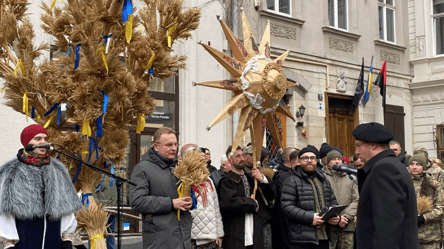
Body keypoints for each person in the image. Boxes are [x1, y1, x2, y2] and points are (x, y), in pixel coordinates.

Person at [0, 124, 82, 249]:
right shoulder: (10, 172)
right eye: (38, 139)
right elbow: (4, 212)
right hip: (25, 240)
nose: (43, 142)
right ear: (27, 142)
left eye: (45, 139)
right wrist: (8, 243)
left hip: (54, 240)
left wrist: (66, 239)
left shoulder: (57, 170)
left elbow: (66, 208)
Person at [352, 122, 419, 249]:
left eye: (358, 146)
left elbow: (388, 226)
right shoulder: (392, 164)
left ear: (373, 145)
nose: (357, 151)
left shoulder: (384, 169)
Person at [129, 127, 193, 249]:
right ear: (156, 146)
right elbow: (137, 201)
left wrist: (190, 201)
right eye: (169, 145)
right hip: (160, 240)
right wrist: (171, 203)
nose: (174, 148)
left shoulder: (178, 168)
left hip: (183, 239)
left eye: (175, 144)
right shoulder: (142, 168)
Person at [280, 145, 340, 249]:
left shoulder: (323, 179)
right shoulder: (291, 180)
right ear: (299, 161)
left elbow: (332, 201)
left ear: (316, 161)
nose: (309, 161)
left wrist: (334, 216)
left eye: (312, 158)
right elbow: (287, 207)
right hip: (302, 238)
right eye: (305, 158)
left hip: (323, 236)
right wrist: (310, 218)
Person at [217, 147, 275, 249]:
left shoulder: (251, 179)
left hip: (254, 231)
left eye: (243, 155)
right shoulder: (226, 181)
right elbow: (229, 203)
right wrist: (252, 202)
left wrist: (262, 179)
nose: (242, 158)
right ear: (230, 160)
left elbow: (270, 196)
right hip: (236, 232)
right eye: (238, 156)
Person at [179, 145, 224, 249]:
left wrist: (219, 234)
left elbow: (216, 209)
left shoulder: (208, 181)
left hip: (211, 239)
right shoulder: (182, 180)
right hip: (192, 238)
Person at [322, 150, 359, 249]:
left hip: (347, 225)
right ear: (328, 161)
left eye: (339, 159)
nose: (337, 162)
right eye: (334, 159)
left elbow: (357, 200)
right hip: (329, 226)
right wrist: (333, 217)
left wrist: (345, 217)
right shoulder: (322, 177)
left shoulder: (351, 178)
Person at [242, 145, 276, 249]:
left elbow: (272, 195)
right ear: (245, 156)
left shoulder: (263, 173)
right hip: (246, 220)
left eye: (257, 155)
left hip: (263, 219)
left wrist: (262, 179)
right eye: (252, 155)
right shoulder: (240, 173)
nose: (255, 158)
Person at [408, 154, 444, 249]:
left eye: (418, 164)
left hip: (430, 237)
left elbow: (440, 209)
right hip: (408, 235)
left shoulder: (433, 184)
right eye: (412, 164)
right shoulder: (403, 182)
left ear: (424, 166)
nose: (414, 167)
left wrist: (423, 218)